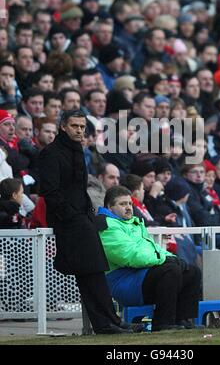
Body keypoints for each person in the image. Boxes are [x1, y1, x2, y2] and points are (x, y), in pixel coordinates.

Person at [38, 109, 134, 335]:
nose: (79, 130)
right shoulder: (51, 153)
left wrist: (88, 214)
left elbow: (79, 189)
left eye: (82, 127)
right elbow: (50, 192)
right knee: (92, 270)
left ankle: (109, 322)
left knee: (92, 271)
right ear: (63, 126)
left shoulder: (78, 151)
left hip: (82, 217)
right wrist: (72, 215)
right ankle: (107, 322)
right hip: (69, 221)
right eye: (74, 126)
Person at [98, 185, 202, 331]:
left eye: (130, 203)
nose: (128, 207)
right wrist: (165, 259)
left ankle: (182, 320)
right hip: (124, 282)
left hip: (140, 275)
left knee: (191, 271)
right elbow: (129, 255)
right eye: (122, 204)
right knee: (170, 270)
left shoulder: (133, 222)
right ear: (109, 207)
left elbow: (152, 249)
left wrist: (172, 258)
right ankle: (162, 323)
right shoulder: (107, 226)